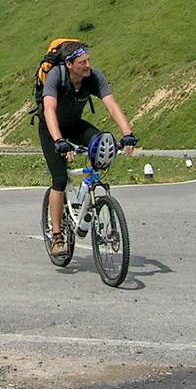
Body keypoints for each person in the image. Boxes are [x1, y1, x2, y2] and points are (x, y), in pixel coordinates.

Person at [39, 42, 136, 255]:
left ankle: (86, 193)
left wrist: (127, 134)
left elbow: (112, 105)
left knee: (101, 141)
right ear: (69, 64)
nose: (88, 65)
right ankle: (57, 237)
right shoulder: (56, 76)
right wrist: (58, 141)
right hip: (51, 128)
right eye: (82, 62)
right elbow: (49, 109)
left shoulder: (93, 77)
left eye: (89, 60)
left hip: (74, 125)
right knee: (60, 180)